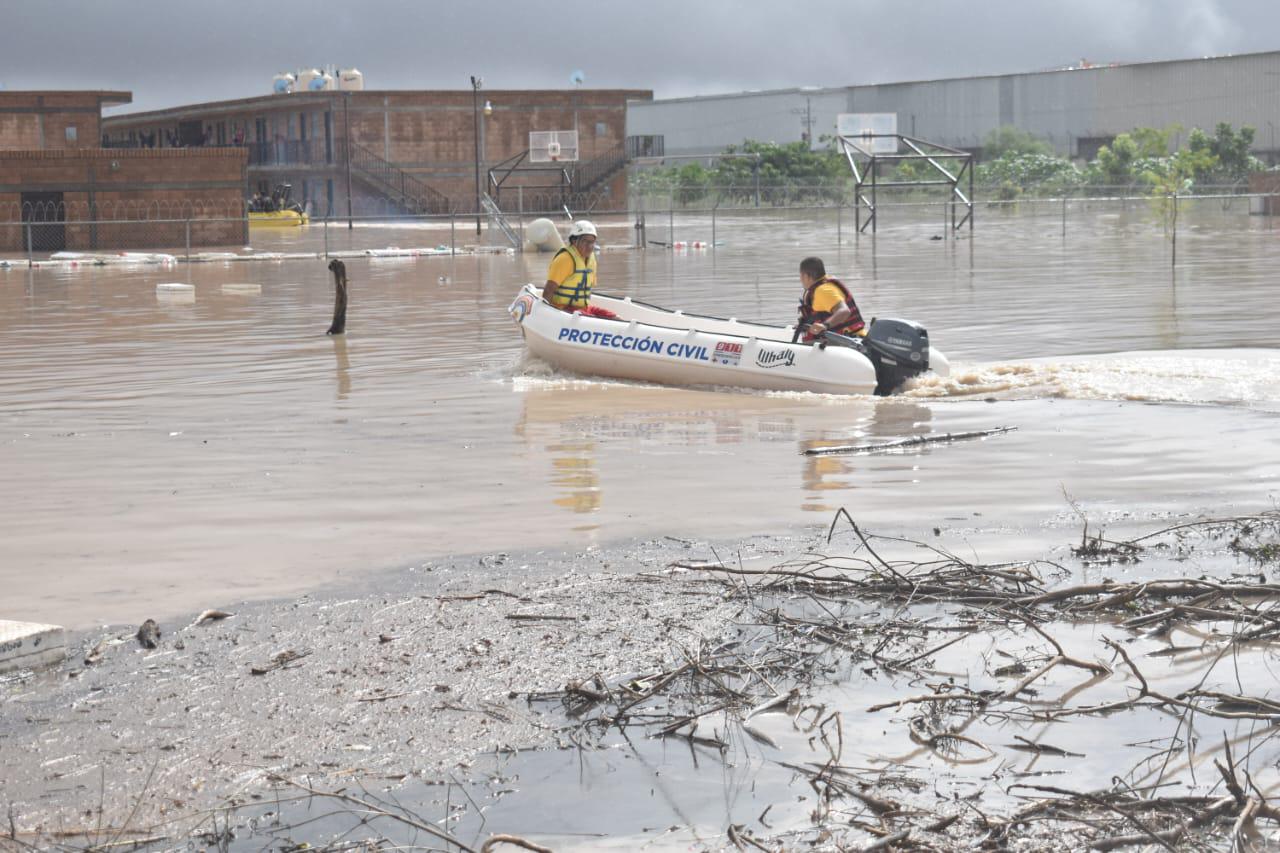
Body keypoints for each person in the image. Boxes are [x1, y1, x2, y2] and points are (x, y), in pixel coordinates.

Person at [542, 220, 617, 319]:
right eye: (586, 241)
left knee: (615, 318)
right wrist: (546, 315)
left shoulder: (592, 260)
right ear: (574, 241)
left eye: (592, 242)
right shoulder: (565, 259)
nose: (590, 246)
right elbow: (548, 290)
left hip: (584, 309)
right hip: (564, 309)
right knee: (592, 319)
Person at [796, 256, 865, 342]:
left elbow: (844, 311)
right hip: (850, 339)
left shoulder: (823, 290)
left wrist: (824, 325)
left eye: (801, 275)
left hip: (849, 342)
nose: (800, 279)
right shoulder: (823, 286)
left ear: (806, 276)